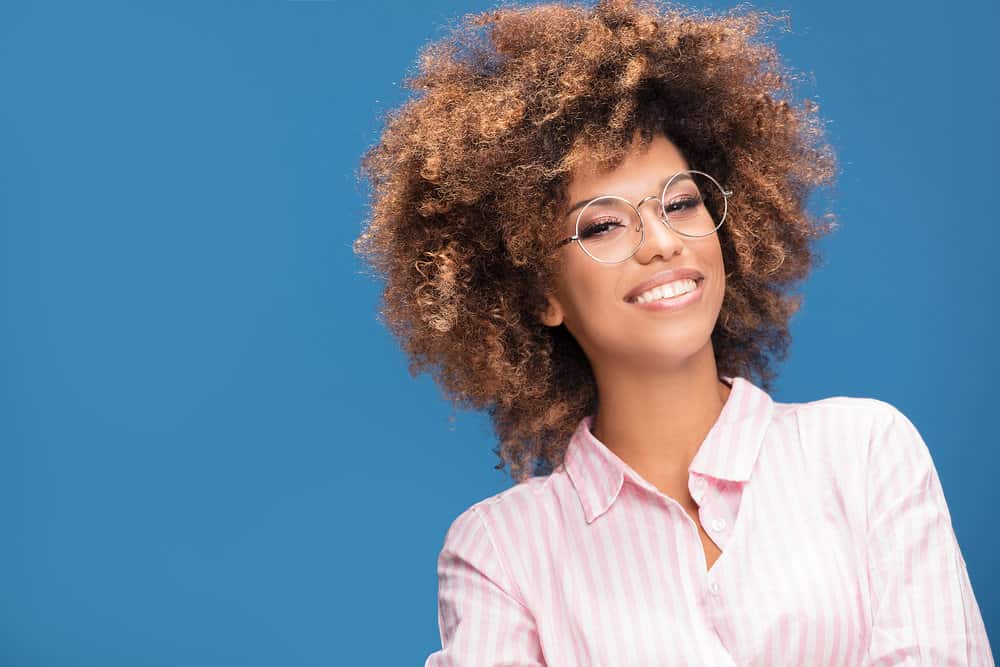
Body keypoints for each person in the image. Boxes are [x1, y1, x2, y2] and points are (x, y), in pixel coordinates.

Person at [354, 1, 994, 664]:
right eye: (603, 224)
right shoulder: (501, 552)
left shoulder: (863, 452)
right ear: (541, 291)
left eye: (681, 202)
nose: (662, 242)